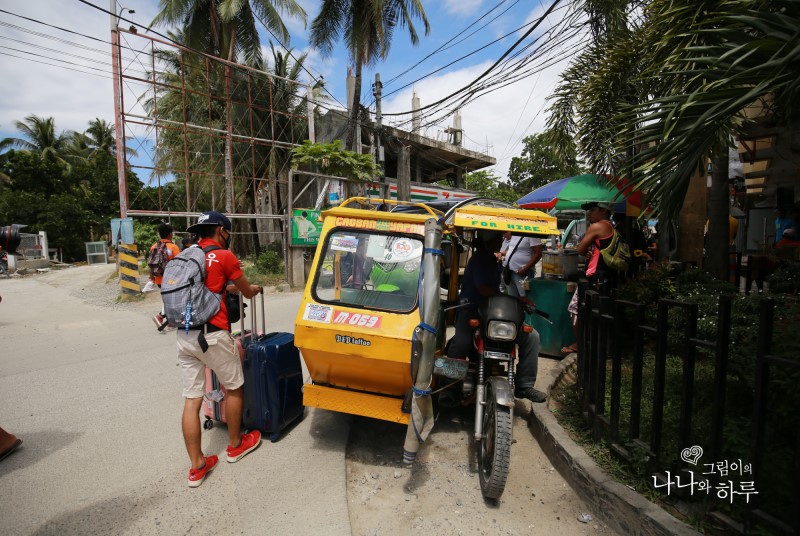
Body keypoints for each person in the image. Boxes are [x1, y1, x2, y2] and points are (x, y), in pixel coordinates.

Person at [176, 211, 264, 487]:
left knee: (192, 400)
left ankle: (197, 466)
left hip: (185, 334)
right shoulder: (224, 256)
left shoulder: (187, 255)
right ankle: (235, 446)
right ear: (222, 231)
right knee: (234, 387)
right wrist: (255, 288)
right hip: (213, 334)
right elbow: (246, 291)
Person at [448, 229, 546, 403]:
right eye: (498, 238)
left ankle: (524, 385)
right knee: (461, 342)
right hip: (471, 308)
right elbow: (484, 289)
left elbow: (495, 290)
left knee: (532, 337)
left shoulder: (492, 259)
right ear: (489, 241)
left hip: (493, 312)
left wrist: (515, 301)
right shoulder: (480, 259)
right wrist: (514, 298)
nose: (500, 241)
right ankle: (449, 386)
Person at [577, 201, 618, 292]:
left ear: (603, 210)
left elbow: (580, 249)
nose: (588, 213)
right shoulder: (611, 226)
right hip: (609, 273)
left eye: (592, 210)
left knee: (591, 304)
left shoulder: (597, 226)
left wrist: (585, 252)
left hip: (597, 274)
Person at [150, 223, 181, 331]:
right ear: (170, 234)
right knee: (173, 300)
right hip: (172, 279)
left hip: (159, 279)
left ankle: (170, 323)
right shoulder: (173, 247)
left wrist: (152, 278)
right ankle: (160, 317)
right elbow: (180, 265)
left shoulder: (154, 246)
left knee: (168, 299)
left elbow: (151, 263)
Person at [502, 233, 543, 297]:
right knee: (513, 298)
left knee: (525, 297)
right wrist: (502, 254)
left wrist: (525, 268)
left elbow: (538, 253)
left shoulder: (532, 234)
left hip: (523, 273)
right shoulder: (515, 233)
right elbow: (514, 249)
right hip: (510, 271)